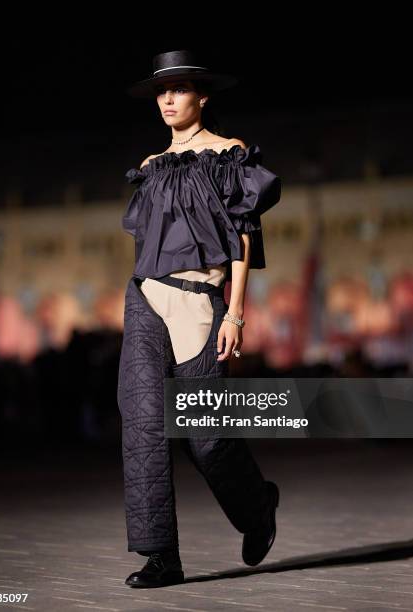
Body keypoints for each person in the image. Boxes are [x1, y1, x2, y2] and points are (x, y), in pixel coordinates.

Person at [117, 49, 281, 588]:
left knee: (205, 436)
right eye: (161, 92)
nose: (167, 99)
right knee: (143, 425)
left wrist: (235, 312)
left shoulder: (229, 155)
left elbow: (243, 237)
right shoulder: (149, 168)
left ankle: (257, 506)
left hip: (203, 302)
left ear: (202, 95)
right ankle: (161, 555)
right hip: (146, 299)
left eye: (179, 89)